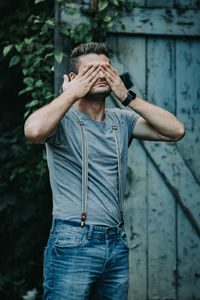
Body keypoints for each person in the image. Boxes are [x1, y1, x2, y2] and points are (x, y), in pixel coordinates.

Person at [24, 42, 185, 300]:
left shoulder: (121, 120)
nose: (100, 74)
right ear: (74, 79)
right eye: (91, 70)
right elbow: (33, 131)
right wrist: (70, 95)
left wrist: (127, 97)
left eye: (106, 69)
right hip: (73, 240)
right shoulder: (61, 121)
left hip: (117, 242)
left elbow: (176, 131)